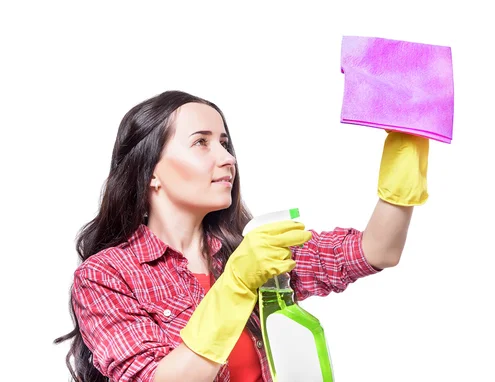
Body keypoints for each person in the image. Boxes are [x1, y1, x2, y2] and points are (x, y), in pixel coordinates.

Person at [54, 90, 429, 382]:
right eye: (201, 142)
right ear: (151, 170)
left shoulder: (253, 248)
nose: (227, 157)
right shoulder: (106, 276)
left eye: (224, 143)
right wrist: (236, 286)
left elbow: (378, 249)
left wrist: (406, 150)